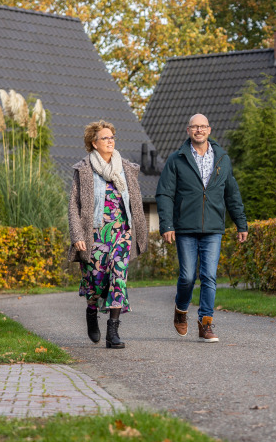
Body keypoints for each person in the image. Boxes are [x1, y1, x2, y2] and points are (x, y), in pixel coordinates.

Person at [156, 113, 248, 343]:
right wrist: (167, 224)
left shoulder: (222, 158)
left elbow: (232, 193)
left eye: (203, 126)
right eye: (194, 127)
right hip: (185, 228)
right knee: (187, 277)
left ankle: (205, 323)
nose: (199, 130)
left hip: (214, 228)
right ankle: (181, 310)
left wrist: (240, 223)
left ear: (209, 129)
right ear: (188, 130)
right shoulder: (177, 159)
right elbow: (164, 193)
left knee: (209, 276)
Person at [68, 120, 147, 349]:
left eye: (112, 137)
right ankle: (92, 311)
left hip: (122, 232)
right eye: (105, 138)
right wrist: (77, 235)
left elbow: (136, 202)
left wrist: (135, 231)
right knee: (96, 282)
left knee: (118, 277)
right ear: (94, 143)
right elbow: (74, 205)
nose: (110, 141)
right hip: (94, 234)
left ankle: (113, 331)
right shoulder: (84, 169)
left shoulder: (126, 168)